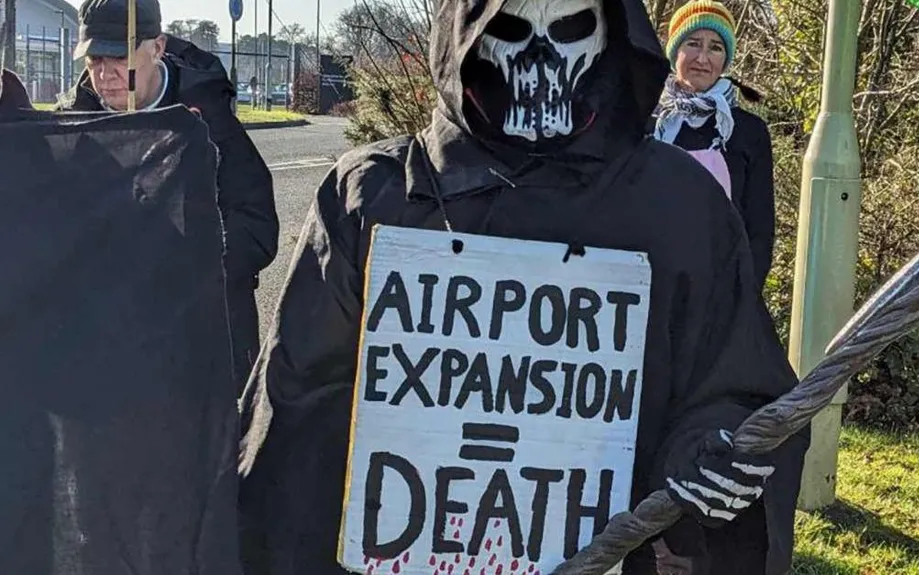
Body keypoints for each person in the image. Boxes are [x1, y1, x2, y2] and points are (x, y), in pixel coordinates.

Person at [237, 1, 808, 574]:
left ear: (610, 37)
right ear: (468, 38)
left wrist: (710, 446)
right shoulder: (375, 197)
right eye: (510, 30)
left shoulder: (677, 204)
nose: (542, 59)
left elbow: (733, 371)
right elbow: (299, 399)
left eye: (569, 30)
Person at [57, 0, 280, 389]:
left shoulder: (209, 116)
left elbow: (257, 225)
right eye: (93, 60)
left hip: (198, 341)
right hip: (105, 348)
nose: (105, 74)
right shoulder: (71, 124)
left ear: (157, 47)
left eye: (118, 56)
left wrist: (192, 268)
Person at [652, 0, 777, 291]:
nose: (703, 58)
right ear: (675, 51)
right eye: (693, 44)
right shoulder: (646, 123)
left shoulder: (748, 132)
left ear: (726, 59)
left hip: (718, 289)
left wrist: (743, 297)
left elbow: (759, 229)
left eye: (715, 48)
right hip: (649, 283)